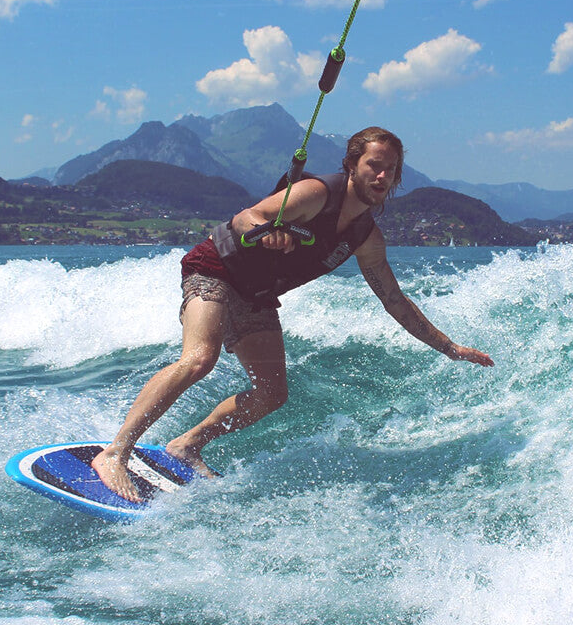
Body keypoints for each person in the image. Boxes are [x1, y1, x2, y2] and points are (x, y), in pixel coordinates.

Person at [92, 126, 493, 502]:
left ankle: (186, 445)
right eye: (375, 164)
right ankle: (115, 452)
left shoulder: (366, 237)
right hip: (216, 268)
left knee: (272, 394)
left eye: (391, 169)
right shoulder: (316, 193)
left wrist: (449, 347)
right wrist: (269, 228)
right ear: (352, 165)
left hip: (257, 294)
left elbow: (394, 299)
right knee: (199, 358)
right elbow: (246, 217)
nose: (383, 176)